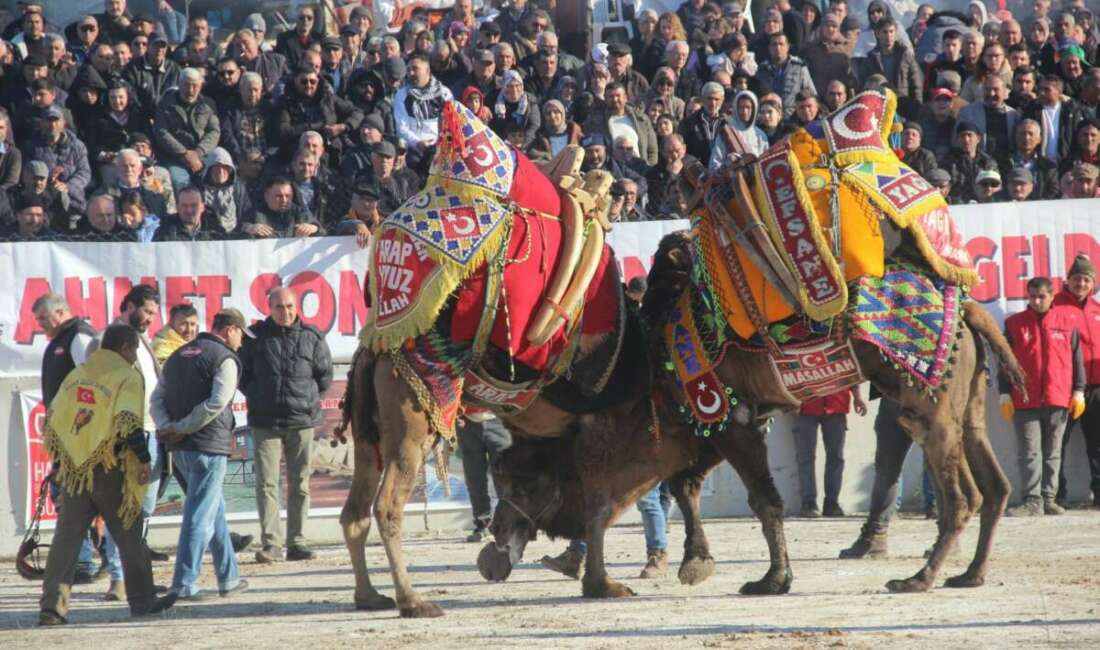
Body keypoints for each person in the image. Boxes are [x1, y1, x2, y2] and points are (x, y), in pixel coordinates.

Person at [38, 323, 176, 626]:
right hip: (110, 467)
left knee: (66, 540)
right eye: (134, 351)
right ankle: (142, 601)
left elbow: (54, 420)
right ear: (127, 348)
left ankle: (52, 607)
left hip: (76, 469)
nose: (134, 357)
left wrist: (61, 462)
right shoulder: (127, 376)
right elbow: (128, 421)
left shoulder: (78, 374)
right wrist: (142, 458)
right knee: (131, 534)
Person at [153, 308, 251, 600]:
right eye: (242, 336)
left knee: (213, 510)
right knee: (199, 514)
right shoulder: (224, 358)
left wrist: (168, 427)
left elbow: (156, 398)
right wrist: (182, 427)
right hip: (208, 446)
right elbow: (218, 402)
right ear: (231, 330)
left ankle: (229, 577)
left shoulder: (175, 356)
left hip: (180, 447)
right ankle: (184, 583)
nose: (242, 343)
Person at [240, 288, 333, 563]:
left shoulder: (312, 337)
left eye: (290, 306)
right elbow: (243, 376)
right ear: (269, 307)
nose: (286, 312)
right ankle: (271, 544)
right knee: (267, 483)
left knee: (300, 483)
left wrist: (304, 399)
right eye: (279, 307)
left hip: (301, 421)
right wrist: (259, 395)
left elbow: (324, 377)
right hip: (265, 421)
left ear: (297, 306)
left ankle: (297, 542)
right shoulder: (255, 338)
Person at [1000, 276, 1086, 516]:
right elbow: (1005, 363)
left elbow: (1077, 360)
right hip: (1024, 399)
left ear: (1051, 296)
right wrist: (1004, 393)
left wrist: (1078, 391)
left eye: (1042, 296)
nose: (1037, 301)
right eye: (1032, 296)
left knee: (1053, 452)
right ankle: (1032, 500)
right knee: (1029, 452)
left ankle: (1049, 498)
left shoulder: (1067, 322)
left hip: (1058, 398)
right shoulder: (1015, 324)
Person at [1054, 255, 1100, 508]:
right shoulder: (1055, 307)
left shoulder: (1097, 310)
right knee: (1058, 443)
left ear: (1092, 283)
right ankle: (1057, 495)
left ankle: (1099, 493)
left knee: (1098, 445)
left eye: (1086, 279)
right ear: (1067, 281)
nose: (1081, 283)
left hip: (1097, 388)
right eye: (1077, 278)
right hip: (1066, 388)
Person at [794, 387, 867, 517]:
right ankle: (808, 503)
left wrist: (858, 397)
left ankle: (832, 503)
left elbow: (851, 372)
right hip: (805, 406)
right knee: (805, 457)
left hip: (836, 405)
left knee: (836, 458)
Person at [154, 67, 220, 191]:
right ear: (179, 84)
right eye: (186, 85)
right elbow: (161, 132)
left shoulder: (208, 104)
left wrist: (198, 152)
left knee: (213, 180)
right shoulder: (165, 104)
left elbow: (214, 131)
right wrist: (184, 153)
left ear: (200, 86)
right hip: (175, 157)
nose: (190, 90)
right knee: (180, 183)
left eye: (194, 86)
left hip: (203, 155)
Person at [458, 416, 513, 542]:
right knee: (474, 479)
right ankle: (483, 524)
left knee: (506, 478)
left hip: (499, 421)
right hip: (467, 423)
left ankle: (509, 525)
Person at [757, 32, 816, 118]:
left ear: (788, 47)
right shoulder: (762, 70)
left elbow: (811, 94)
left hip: (792, 119)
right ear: (769, 48)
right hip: (768, 118)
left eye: (781, 44)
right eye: (774, 44)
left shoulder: (799, 68)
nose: (778, 47)